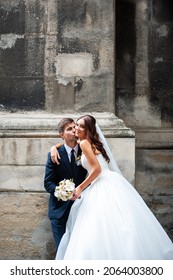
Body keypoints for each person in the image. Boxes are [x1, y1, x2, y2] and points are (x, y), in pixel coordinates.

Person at [52, 114, 173, 260]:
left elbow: (97, 170)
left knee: (98, 225)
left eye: (81, 126)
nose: (77, 128)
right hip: (112, 181)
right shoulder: (90, 142)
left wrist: (80, 188)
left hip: (101, 182)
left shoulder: (84, 143)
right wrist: (55, 147)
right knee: (120, 223)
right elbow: (68, 145)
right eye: (76, 125)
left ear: (88, 129)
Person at [44, 118, 87, 250]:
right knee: (63, 251)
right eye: (69, 129)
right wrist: (62, 192)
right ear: (61, 135)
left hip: (82, 210)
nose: (74, 130)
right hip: (59, 212)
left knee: (81, 252)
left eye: (75, 127)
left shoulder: (86, 151)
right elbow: (48, 183)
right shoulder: (54, 155)